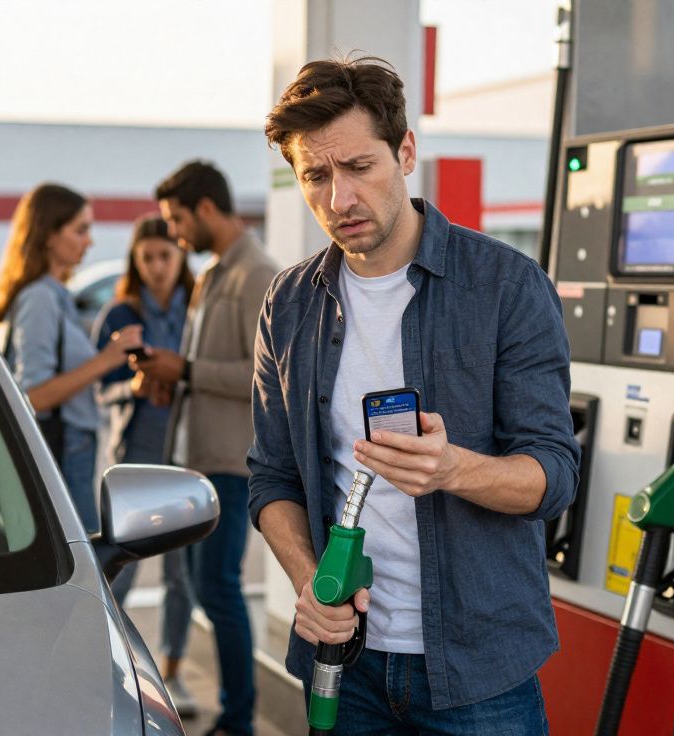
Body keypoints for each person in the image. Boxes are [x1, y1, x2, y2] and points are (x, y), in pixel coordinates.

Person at [248, 57, 580, 734]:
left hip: (479, 672)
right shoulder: (288, 303)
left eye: (360, 167)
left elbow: (554, 475)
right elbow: (272, 477)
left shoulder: (506, 288)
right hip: (348, 663)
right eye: (315, 175)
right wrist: (309, 582)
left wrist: (454, 468)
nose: (339, 198)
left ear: (405, 153)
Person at [133, 161, 278, 736]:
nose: (173, 234)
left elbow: (264, 375)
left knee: (219, 591)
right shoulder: (216, 271)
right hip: (197, 461)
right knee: (204, 589)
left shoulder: (258, 274)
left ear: (208, 209)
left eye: (176, 219)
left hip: (228, 464)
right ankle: (235, 712)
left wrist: (186, 368)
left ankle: (238, 719)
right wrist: (173, 380)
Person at [0, 183, 143, 534]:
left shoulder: (55, 295)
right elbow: (34, 396)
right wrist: (106, 359)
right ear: (48, 235)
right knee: (82, 564)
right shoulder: (40, 298)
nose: (89, 241)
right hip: (63, 446)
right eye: (80, 229)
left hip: (73, 444)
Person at [93, 215, 199, 717]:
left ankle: (175, 673)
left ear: (180, 258)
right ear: (135, 262)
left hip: (183, 455)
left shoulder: (198, 306)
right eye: (147, 258)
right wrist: (130, 387)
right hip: (134, 458)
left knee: (182, 576)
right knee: (120, 569)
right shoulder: (118, 313)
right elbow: (98, 386)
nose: (157, 267)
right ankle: (105, 665)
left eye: (166, 256)